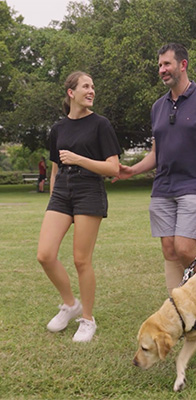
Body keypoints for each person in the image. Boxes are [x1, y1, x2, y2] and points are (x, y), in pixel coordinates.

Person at [114, 43, 196, 295]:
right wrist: (132, 170)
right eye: (159, 65)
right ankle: (178, 306)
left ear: (183, 65)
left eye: (167, 64)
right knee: (169, 251)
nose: (162, 70)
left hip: (194, 185)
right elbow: (156, 154)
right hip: (163, 187)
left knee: (185, 249)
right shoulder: (157, 107)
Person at [37, 71, 121, 342]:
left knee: (81, 259)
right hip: (61, 193)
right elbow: (54, 169)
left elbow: (113, 168)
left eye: (93, 86)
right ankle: (70, 304)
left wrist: (79, 159)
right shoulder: (58, 128)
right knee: (45, 255)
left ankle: (87, 319)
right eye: (86, 86)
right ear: (71, 93)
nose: (92, 90)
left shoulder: (101, 125)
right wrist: (53, 197)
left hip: (89, 191)